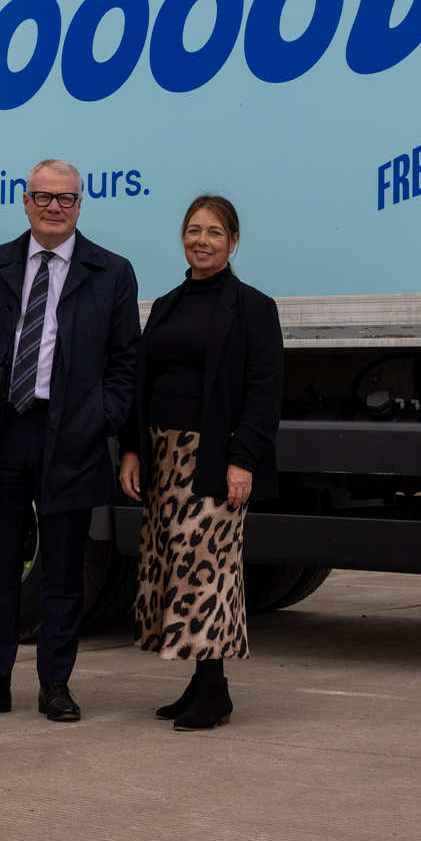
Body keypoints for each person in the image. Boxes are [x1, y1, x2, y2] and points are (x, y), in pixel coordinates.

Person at [0, 159, 139, 722]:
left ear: (81, 205)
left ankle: (56, 685)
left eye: (66, 199)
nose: (54, 207)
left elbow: (127, 362)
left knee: (62, 571)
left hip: (71, 435)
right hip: (3, 432)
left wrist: (100, 418)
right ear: (25, 202)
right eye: (44, 197)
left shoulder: (112, 272)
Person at [117, 194, 282, 731]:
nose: (202, 240)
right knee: (173, 568)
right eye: (194, 230)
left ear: (234, 242)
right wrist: (134, 448)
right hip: (162, 454)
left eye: (214, 232)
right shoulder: (166, 303)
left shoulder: (254, 307)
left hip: (212, 454)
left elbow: (264, 392)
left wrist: (243, 459)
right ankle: (204, 683)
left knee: (207, 572)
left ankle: (213, 691)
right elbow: (141, 383)